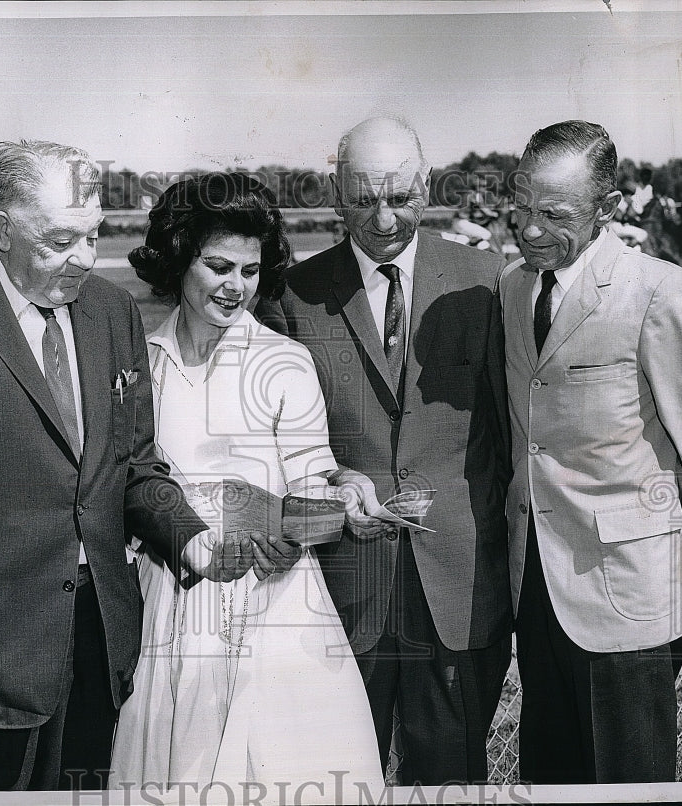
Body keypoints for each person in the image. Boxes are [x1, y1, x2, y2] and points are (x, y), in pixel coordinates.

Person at [0, 140, 252, 792]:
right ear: (2, 229)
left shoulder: (111, 311)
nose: (84, 259)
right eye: (60, 241)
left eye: (93, 236)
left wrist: (193, 537)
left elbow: (136, 465)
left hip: (97, 645)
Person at [109, 173, 383, 798]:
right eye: (218, 266)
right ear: (179, 258)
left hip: (276, 608)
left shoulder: (284, 361)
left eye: (251, 271)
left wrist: (303, 527)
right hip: (169, 605)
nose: (236, 286)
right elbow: (126, 488)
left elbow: (311, 486)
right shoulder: (139, 364)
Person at [257, 117, 513, 786]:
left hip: (458, 589)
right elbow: (276, 447)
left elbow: (512, 437)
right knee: (339, 779)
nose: (383, 217)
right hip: (343, 591)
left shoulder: (486, 281)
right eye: (364, 197)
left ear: (426, 188)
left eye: (400, 196)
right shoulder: (291, 295)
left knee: (451, 779)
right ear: (335, 193)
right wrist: (334, 488)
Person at [501, 120, 682, 783]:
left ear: (607, 209)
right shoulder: (512, 288)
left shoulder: (659, 291)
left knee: (629, 784)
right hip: (537, 593)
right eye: (520, 209)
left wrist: (657, 552)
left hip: (631, 601)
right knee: (551, 780)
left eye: (554, 215)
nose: (529, 230)